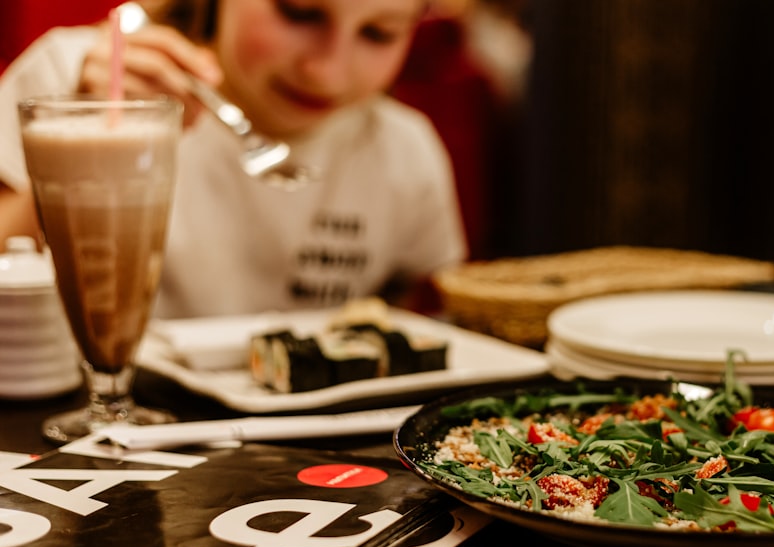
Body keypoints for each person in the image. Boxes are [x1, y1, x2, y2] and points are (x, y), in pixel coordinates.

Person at [0, 0, 467, 318]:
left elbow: (423, 314)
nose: (327, 71)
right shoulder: (68, 80)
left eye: (378, 33)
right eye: (299, 12)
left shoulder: (404, 149)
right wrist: (78, 139)